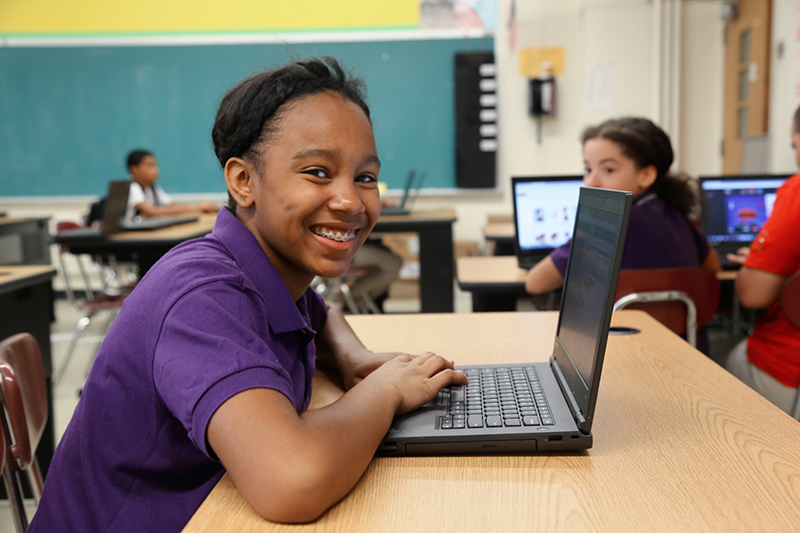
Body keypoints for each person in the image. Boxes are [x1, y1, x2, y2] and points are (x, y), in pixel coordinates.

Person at [29, 57, 468, 531]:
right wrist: (384, 391)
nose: (349, 201)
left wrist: (352, 358)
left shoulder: (265, 268)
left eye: (364, 177)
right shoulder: (204, 296)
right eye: (318, 172)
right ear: (243, 181)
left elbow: (321, 316)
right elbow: (291, 481)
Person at [525, 117, 719, 296]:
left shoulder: (610, 221)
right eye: (588, 169)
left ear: (646, 175)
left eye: (608, 169)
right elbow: (713, 266)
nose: (591, 182)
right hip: (681, 333)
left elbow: (535, 283)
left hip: (625, 332)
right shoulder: (675, 212)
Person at [725, 106, 800, 414]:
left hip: (788, 364)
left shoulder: (796, 191)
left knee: (731, 360)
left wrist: (759, 260)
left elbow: (752, 295)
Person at [124, 149, 219, 224]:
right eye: (149, 166)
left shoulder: (152, 188)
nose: (155, 169)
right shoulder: (131, 187)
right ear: (134, 169)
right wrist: (196, 207)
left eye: (155, 165)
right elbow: (152, 212)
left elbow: (171, 206)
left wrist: (198, 208)